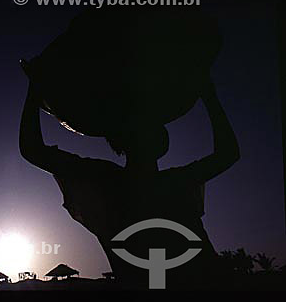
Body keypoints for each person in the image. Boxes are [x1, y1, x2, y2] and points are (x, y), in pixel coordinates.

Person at [19, 79, 240, 289]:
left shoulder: (111, 180)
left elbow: (33, 150)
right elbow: (227, 154)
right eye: (144, 124)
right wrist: (209, 96)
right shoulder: (112, 181)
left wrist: (35, 89)